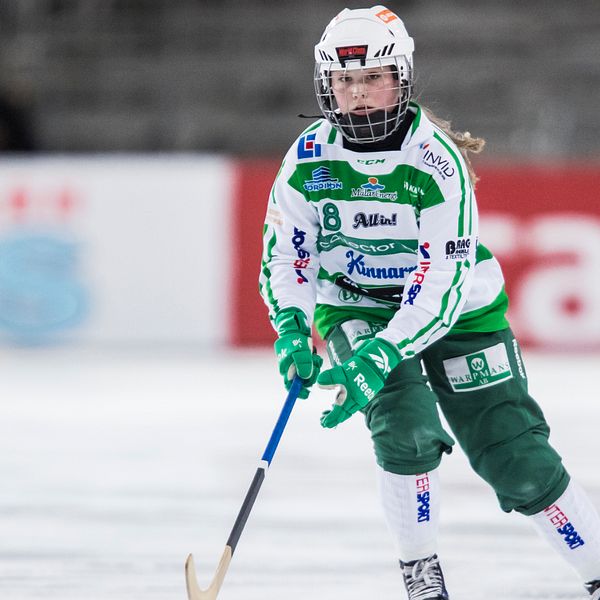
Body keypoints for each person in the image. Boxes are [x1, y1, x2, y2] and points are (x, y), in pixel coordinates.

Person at [259, 6, 600, 599]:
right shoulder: (309, 161)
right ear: (325, 84)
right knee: (405, 430)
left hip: (457, 308)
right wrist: (290, 326)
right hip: (358, 307)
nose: (358, 95)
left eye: (372, 78)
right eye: (344, 81)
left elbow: (441, 281)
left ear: (401, 79)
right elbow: (288, 258)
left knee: (515, 455)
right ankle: (420, 572)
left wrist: (383, 354)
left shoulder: (434, 162)